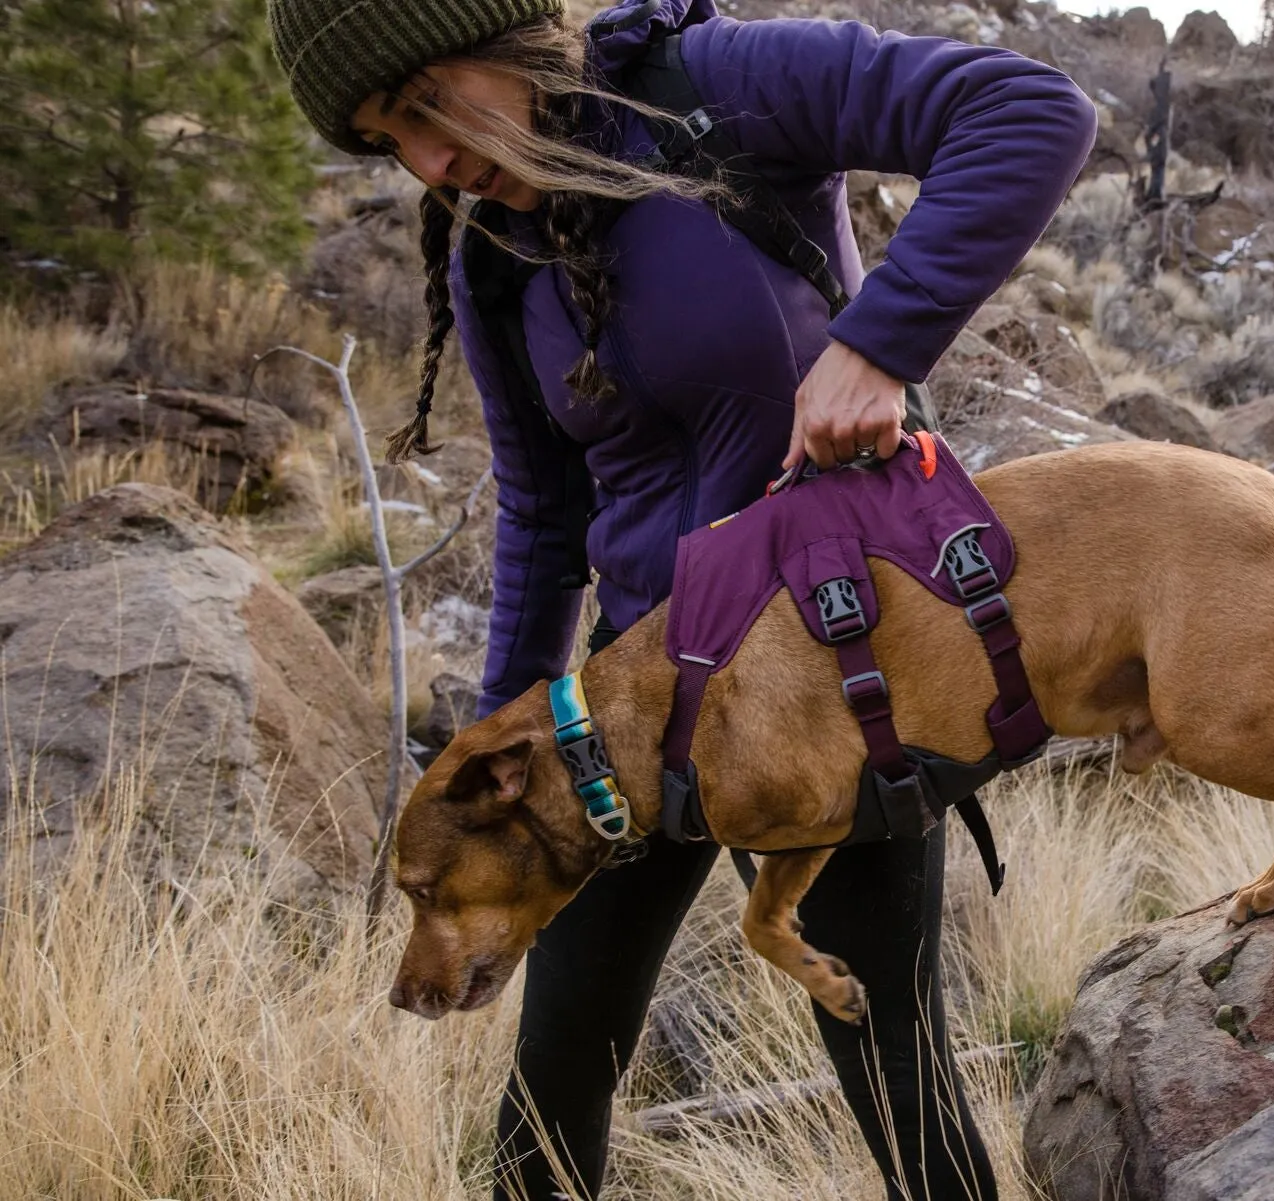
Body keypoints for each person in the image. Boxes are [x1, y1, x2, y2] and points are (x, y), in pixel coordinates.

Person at [268, 0, 1096, 1195]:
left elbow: (1027, 112)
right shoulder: (492, 248)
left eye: (422, 104)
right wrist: (506, 726)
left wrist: (880, 342)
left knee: (893, 1066)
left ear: (504, 36)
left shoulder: (709, 87)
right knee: (556, 1071)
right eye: (387, 141)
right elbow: (547, 520)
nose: (428, 161)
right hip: (628, 698)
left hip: (841, 668)